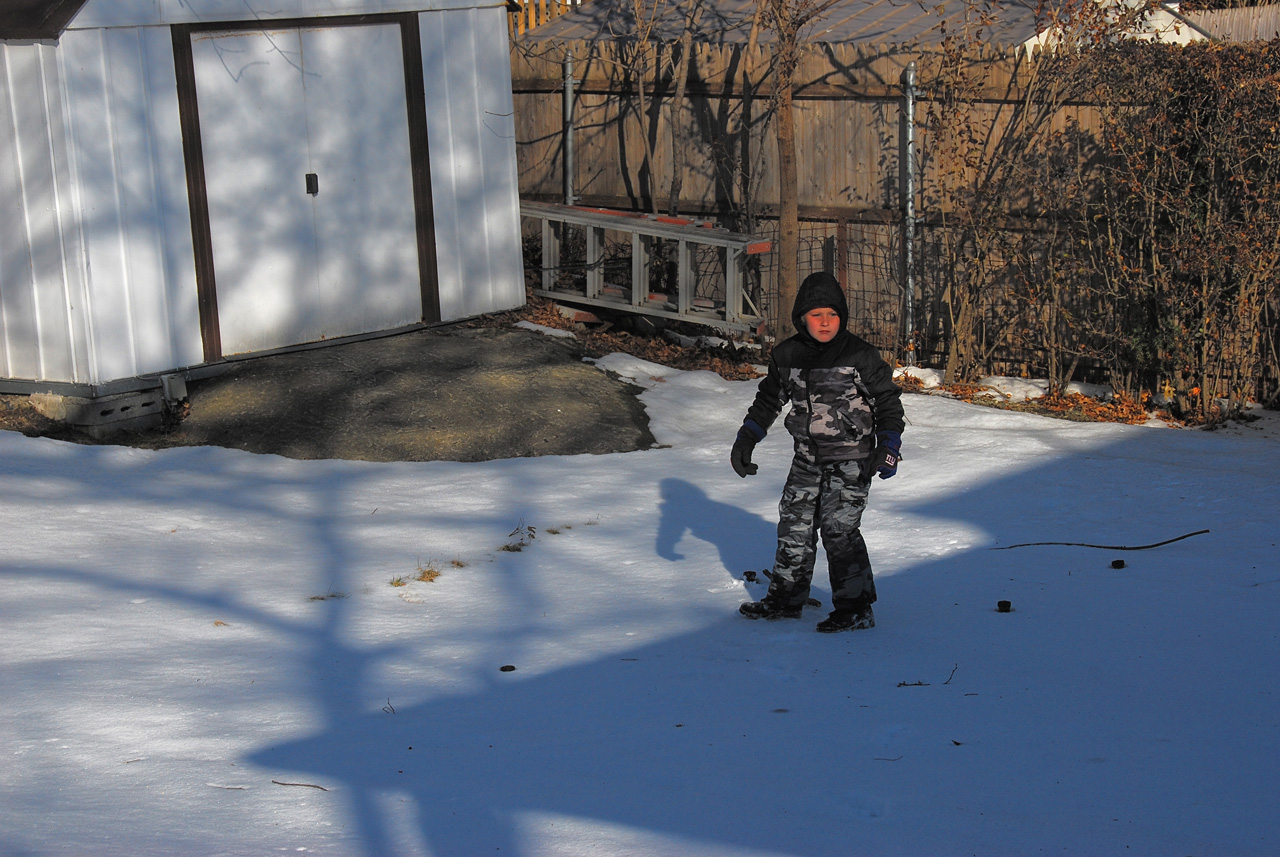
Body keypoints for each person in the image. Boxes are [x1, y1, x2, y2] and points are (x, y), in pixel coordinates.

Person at [731, 271, 904, 633]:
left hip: (852, 459)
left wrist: (888, 446)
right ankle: (786, 598)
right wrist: (747, 437)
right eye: (816, 315)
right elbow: (768, 399)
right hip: (806, 458)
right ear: (801, 318)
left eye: (832, 315)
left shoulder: (860, 355)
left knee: (839, 529)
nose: (825, 322)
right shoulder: (787, 355)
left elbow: (888, 402)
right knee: (794, 525)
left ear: (842, 317)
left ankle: (856, 608)